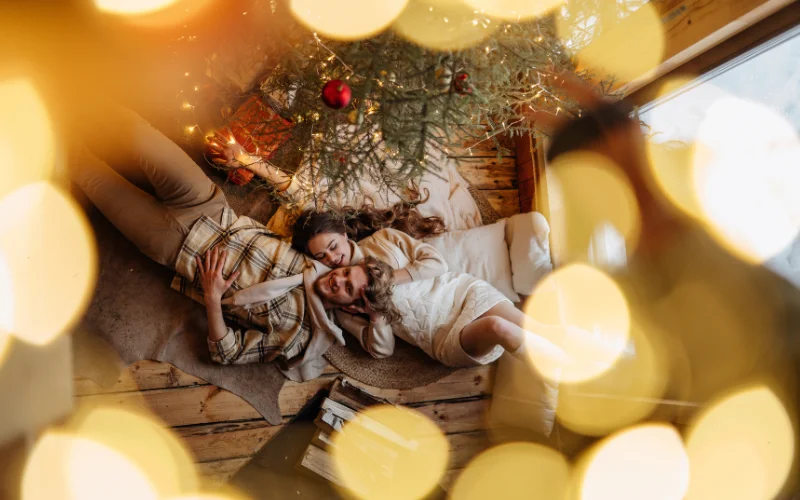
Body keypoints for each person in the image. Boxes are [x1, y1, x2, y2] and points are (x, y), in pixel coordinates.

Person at [68, 105, 383, 369]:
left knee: (84, 170)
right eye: (344, 273)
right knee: (135, 130)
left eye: (347, 287)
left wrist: (212, 298)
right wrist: (245, 158)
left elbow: (227, 352)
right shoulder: (318, 256)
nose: (337, 278)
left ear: (353, 307)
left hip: (174, 246)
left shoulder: (297, 334)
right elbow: (298, 195)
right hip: (207, 205)